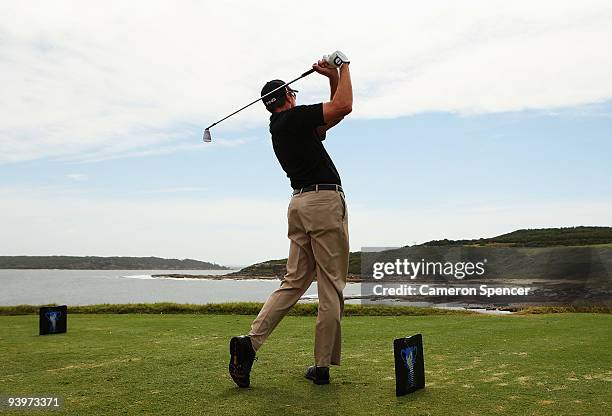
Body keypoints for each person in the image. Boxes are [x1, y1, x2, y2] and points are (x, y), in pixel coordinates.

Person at [229, 51, 353, 387]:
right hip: (324, 203)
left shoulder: (282, 126)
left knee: (295, 280)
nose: (296, 98)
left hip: (299, 205)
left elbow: (332, 117)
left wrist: (330, 78)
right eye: (293, 94)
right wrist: (345, 66)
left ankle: (249, 344)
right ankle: (322, 366)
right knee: (330, 284)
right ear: (286, 97)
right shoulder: (294, 119)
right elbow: (345, 107)